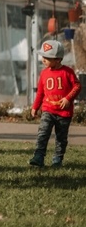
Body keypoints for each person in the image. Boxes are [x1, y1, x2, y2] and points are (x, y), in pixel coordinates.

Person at [29, 40, 81, 168]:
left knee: (61, 138)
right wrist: (35, 107)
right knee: (43, 132)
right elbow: (40, 92)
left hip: (64, 113)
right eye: (43, 57)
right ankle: (39, 156)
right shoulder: (44, 73)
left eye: (47, 58)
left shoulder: (67, 72)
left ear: (58, 59)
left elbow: (77, 86)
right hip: (48, 110)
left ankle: (57, 158)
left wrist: (68, 98)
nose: (43, 60)